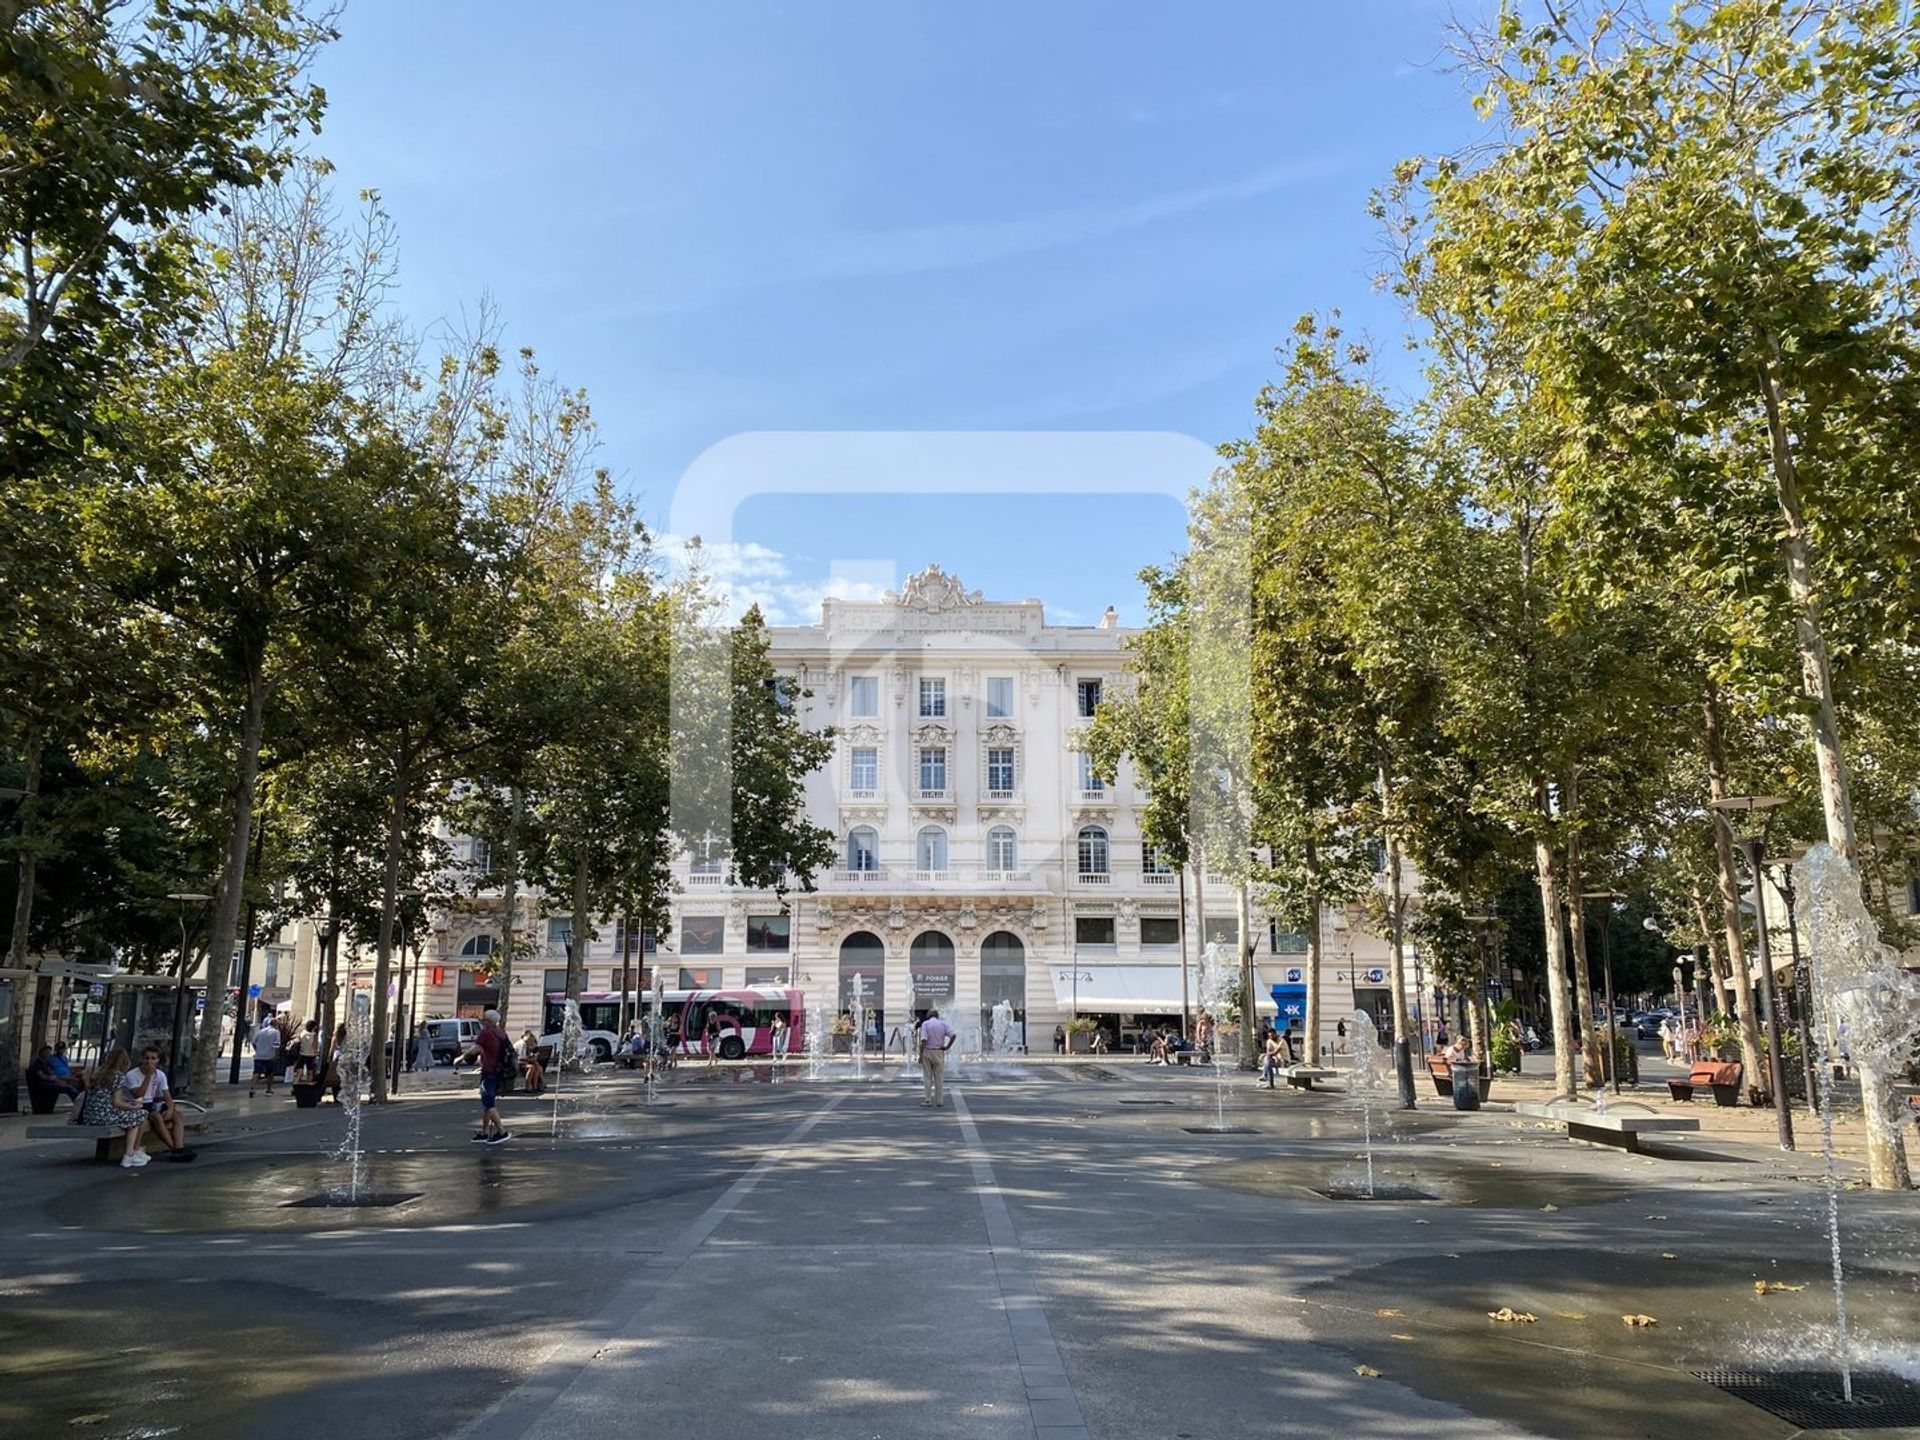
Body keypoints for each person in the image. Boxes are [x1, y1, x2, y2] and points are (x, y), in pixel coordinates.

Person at [79, 1049, 151, 1168]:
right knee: (140, 1115)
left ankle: (132, 1152)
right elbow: (117, 1103)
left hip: (90, 1116)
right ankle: (129, 1154)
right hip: (105, 1116)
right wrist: (133, 1106)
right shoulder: (118, 1076)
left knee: (134, 1117)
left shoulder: (98, 1074)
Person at [121, 1046, 195, 1162]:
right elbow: (138, 1095)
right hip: (136, 1106)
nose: (149, 1062)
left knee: (177, 1116)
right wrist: (148, 1077)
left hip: (151, 1104)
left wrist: (170, 1108)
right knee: (156, 1117)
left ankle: (180, 1147)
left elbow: (167, 1096)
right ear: (142, 1059)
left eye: (153, 1058)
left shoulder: (160, 1075)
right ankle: (175, 1149)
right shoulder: (132, 1075)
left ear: (158, 1060)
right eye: (147, 1058)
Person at [459, 1009, 513, 1145]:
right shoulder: (501, 1032)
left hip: (489, 1071)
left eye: (483, 1019)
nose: (482, 1021)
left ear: (488, 1021)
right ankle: (484, 1133)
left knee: (488, 1103)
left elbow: (475, 1049)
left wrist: (460, 1059)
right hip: (499, 1071)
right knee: (488, 1104)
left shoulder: (486, 1033)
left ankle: (502, 1132)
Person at [918, 1007, 956, 1108]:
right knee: (939, 1077)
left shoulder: (925, 1024)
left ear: (928, 1016)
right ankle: (940, 1101)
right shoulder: (943, 1024)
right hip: (939, 1051)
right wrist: (947, 1047)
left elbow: (924, 1040)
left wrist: (920, 1055)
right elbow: (953, 1035)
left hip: (928, 1051)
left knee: (927, 1077)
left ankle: (928, 1100)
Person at [249, 1019, 282, 1098]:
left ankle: (252, 1088)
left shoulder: (260, 1031)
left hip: (259, 1056)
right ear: (276, 1025)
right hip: (269, 1056)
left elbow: (253, 1042)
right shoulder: (276, 1032)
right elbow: (277, 1045)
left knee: (256, 1072)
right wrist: (277, 1055)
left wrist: (257, 1050)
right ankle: (269, 1089)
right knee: (270, 1074)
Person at [519, 1029, 546, 1094]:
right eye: (531, 1041)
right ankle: (528, 1087)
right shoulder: (522, 1044)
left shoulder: (527, 1044)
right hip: (518, 1063)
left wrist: (533, 1057)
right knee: (532, 1067)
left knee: (537, 1067)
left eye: (532, 1041)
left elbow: (526, 1056)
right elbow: (521, 1058)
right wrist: (532, 1059)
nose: (531, 1043)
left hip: (524, 1062)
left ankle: (535, 1086)